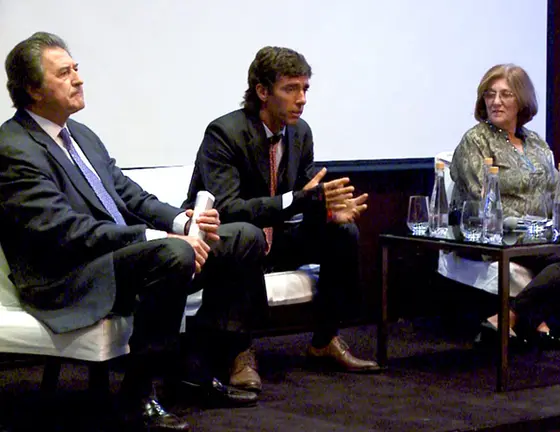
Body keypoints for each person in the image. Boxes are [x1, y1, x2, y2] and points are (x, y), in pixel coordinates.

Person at [0, 32, 262, 431]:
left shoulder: (82, 135)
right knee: (174, 254)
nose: (79, 79)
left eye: (77, 69)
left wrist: (185, 222)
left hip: (119, 260)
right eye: (64, 73)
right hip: (67, 276)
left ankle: (195, 367)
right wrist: (158, 240)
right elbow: (64, 231)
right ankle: (137, 394)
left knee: (243, 236)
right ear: (33, 90)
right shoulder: (14, 147)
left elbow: (130, 195)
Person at [184, 46, 380, 392]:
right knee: (246, 234)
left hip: (276, 239)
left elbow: (308, 188)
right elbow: (226, 208)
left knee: (343, 231)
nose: (301, 99)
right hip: (228, 244)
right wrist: (299, 199)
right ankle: (239, 351)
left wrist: (329, 209)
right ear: (262, 91)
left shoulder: (300, 132)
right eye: (291, 89)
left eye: (305, 89)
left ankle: (324, 340)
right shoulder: (224, 133)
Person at [450, 64, 560, 348]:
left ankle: (522, 319)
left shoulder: (536, 142)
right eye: (490, 94)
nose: (496, 101)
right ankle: (518, 319)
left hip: (540, 233)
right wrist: (536, 227)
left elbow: (557, 192)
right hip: (495, 232)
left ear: (522, 100)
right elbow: (482, 199)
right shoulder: (475, 141)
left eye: (505, 94)